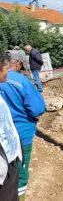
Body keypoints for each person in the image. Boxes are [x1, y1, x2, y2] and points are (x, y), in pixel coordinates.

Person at [0, 51, 46, 200]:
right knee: (20, 173)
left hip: (3, 140)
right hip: (20, 134)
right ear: (17, 63)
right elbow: (38, 108)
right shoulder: (21, 80)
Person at [0, 52, 23, 201]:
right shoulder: (22, 81)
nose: (8, 70)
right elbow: (37, 107)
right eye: (6, 67)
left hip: (10, 160)